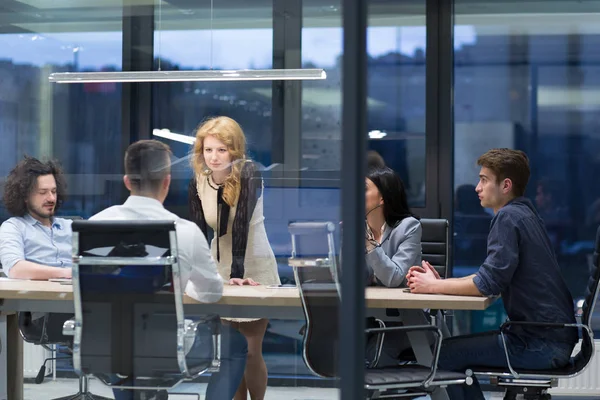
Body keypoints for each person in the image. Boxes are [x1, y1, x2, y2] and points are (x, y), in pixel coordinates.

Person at [407, 148, 577, 400]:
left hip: (539, 344)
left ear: (505, 185)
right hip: (550, 338)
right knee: (449, 352)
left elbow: (487, 284)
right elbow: (489, 276)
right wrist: (440, 283)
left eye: (484, 179)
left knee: (442, 355)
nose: (477, 187)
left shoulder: (508, 218)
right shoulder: (525, 213)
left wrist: (431, 287)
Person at [91, 140, 247, 400]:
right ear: (166, 182)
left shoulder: (94, 226)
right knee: (236, 344)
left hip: (105, 347)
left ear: (127, 181)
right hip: (167, 347)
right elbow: (210, 293)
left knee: (122, 336)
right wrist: (181, 280)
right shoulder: (184, 231)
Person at [188, 116, 280, 400]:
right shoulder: (200, 180)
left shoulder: (249, 172)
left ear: (235, 150)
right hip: (220, 267)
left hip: (253, 265)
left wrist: (237, 274)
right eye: (208, 150)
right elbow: (198, 232)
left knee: (252, 350)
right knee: (230, 352)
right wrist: (199, 272)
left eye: (221, 150)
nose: (214, 157)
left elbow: (240, 225)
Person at [363, 167, 423, 366]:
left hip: (408, 322)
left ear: (382, 198)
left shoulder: (409, 227)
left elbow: (394, 278)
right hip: (370, 318)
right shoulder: (357, 227)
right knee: (339, 341)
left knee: (376, 349)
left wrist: (369, 244)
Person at [0, 156, 72, 279]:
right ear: (25, 197)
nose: (51, 198)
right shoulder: (14, 227)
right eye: (42, 192)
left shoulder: (70, 227)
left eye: (54, 191)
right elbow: (16, 269)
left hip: (79, 295)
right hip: (36, 295)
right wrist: (68, 273)